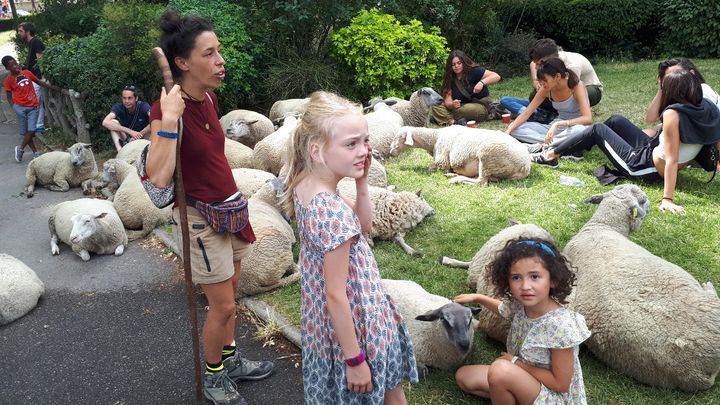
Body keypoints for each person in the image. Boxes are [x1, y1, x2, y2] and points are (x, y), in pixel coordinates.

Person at [145, 10, 274, 404]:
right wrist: (168, 120)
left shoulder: (209, 98)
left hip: (230, 210)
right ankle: (215, 376)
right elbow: (159, 175)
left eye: (219, 51)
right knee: (222, 306)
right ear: (183, 63)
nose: (221, 61)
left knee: (231, 295)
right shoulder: (165, 109)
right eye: (210, 53)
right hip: (201, 219)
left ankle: (230, 359)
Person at [282, 91, 419, 404]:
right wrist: (355, 360)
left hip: (325, 325)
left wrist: (361, 183)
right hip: (358, 323)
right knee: (389, 393)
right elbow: (335, 293)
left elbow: (363, 225)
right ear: (317, 150)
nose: (363, 151)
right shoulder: (330, 210)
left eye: (365, 141)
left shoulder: (307, 184)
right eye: (351, 144)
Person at [537, 69, 720, 215]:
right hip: (651, 149)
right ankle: (581, 145)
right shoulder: (707, 106)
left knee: (597, 129)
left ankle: (551, 155)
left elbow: (671, 159)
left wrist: (667, 199)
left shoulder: (674, 114)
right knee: (616, 120)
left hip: (643, 166)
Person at [454, 238, 590, 404]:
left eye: (534, 276)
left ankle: (510, 388)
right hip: (527, 379)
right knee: (464, 376)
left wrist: (515, 363)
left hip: (555, 397)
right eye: (516, 278)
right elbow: (502, 309)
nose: (525, 286)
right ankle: (512, 391)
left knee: (499, 371)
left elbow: (560, 384)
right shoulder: (521, 305)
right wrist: (479, 298)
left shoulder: (561, 326)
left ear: (552, 280)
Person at [505, 57, 592, 165]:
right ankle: (549, 145)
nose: (543, 85)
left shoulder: (576, 86)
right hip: (556, 128)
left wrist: (559, 124)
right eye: (541, 82)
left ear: (558, 76)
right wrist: (508, 132)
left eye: (545, 81)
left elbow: (588, 119)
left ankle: (542, 146)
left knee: (578, 131)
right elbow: (527, 112)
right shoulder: (546, 89)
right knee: (516, 128)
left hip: (576, 126)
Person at [500, 38, 603, 122]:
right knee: (534, 95)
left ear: (547, 60)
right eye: (536, 64)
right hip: (563, 91)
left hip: (590, 89)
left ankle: (573, 115)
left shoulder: (571, 65)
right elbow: (532, 64)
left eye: (538, 64)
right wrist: (537, 82)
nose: (536, 67)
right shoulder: (543, 62)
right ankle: (542, 114)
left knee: (565, 98)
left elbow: (571, 89)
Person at [3, 55, 58, 163]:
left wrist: (54, 88)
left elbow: (39, 82)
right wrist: (14, 108)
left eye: (15, 63)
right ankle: (35, 153)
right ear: (7, 68)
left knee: (31, 130)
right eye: (12, 66)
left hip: (32, 107)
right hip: (20, 108)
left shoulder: (27, 73)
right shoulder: (8, 80)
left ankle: (20, 148)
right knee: (26, 132)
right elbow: (9, 97)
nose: (15, 67)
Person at [428, 50, 502, 127]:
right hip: (460, 106)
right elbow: (447, 101)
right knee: (435, 105)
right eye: (453, 64)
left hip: (480, 106)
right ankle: (453, 122)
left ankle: (443, 117)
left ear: (464, 62)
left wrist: (482, 83)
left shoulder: (474, 71)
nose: (456, 66)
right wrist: (452, 104)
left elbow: (496, 76)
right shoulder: (449, 78)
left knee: (464, 110)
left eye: (459, 63)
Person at [102, 85, 151, 152]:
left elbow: (155, 120)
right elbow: (105, 122)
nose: (126, 101)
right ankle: (120, 152)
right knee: (113, 122)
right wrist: (130, 132)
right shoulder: (119, 107)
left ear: (136, 98)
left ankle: (150, 151)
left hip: (144, 137)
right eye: (124, 98)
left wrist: (139, 134)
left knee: (154, 125)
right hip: (127, 138)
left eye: (129, 98)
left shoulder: (144, 106)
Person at [17, 22, 46, 133]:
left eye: (21, 31)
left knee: (36, 102)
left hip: (37, 78)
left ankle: (38, 125)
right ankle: (39, 125)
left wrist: (43, 75)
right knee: (38, 102)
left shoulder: (35, 42)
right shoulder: (31, 43)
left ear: (27, 31)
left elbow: (40, 58)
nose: (19, 33)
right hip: (33, 78)